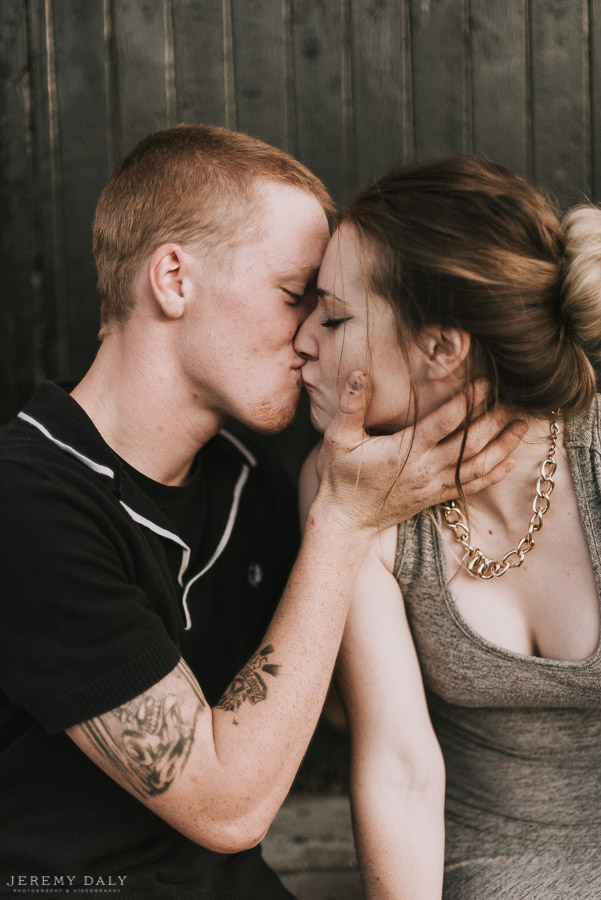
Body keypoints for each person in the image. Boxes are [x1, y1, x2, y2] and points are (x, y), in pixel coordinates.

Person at [0, 127, 521, 899]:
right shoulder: (27, 498)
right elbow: (227, 806)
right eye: (291, 295)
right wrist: (343, 524)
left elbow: (351, 713)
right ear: (173, 279)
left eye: (327, 309)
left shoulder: (253, 483)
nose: (313, 336)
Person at [296, 155, 601, 899]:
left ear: (441, 347)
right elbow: (398, 770)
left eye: (334, 317)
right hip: (492, 870)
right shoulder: (343, 485)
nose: (301, 340)